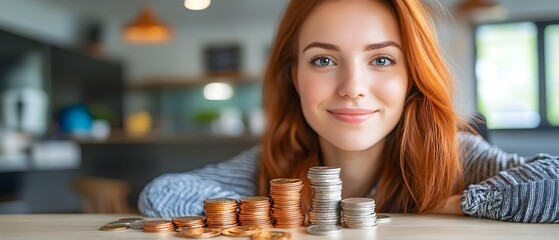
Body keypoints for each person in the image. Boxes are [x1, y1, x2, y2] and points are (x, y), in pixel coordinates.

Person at [139, 0, 559, 223]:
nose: (352, 88)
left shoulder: (457, 155)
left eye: (381, 60)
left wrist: (454, 205)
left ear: (411, 76)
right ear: (294, 77)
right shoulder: (272, 164)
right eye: (323, 60)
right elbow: (162, 194)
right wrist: (281, 211)